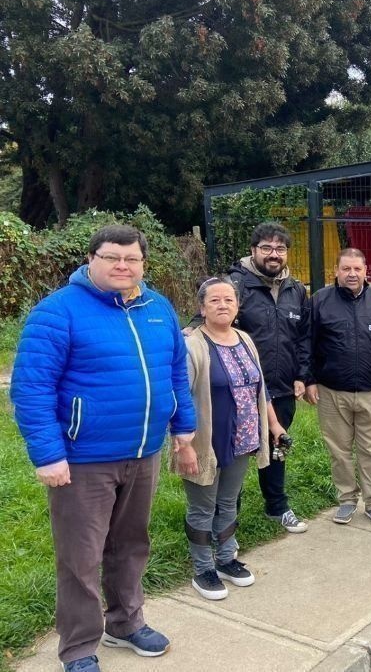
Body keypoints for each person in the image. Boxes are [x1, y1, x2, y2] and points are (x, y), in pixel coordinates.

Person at [11, 225, 198, 672]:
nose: (122, 266)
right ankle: (78, 648)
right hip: (83, 460)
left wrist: (184, 428)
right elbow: (31, 388)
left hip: (143, 453)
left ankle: (125, 622)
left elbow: (175, 371)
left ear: (142, 264)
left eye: (131, 259)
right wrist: (48, 455)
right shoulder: (57, 312)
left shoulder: (159, 308)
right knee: (80, 558)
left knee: (131, 544)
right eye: (112, 257)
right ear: (91, 258)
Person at [186, 222, 310, 534]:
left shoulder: (296, 289)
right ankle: (227, 517)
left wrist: (302, 374)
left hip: (280, 388)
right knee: (231, 454)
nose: (274, 254)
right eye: (266, 248)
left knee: (276, 446)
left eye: (280, 249)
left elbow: (304, 336)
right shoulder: (235, 284)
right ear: (253, 251)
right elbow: (206, 316)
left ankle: (277, 506)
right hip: (237, 391)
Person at [176, 277, 288, 601]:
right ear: (202, 307)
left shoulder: (245, 340)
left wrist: (275, 426)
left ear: (237, 306)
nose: (222, 305)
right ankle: (202, 569)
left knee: (227, 503)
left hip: (243, 438)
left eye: (228, 300)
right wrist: (182, 445)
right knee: (202, 508)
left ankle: (225, 559)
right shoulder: (192, 345)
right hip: (206, 442)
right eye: (214, 300)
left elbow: (260, 389)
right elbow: (179, 396)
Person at [305, 248, 371, 526]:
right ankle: (347, 500)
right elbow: (306, 344)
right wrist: (310, 379)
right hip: (331, 392)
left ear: (365, 271)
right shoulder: (319, 302)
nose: (352, 274)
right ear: (336, 271)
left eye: (357, 269)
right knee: (339, 451)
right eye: (346, 269)